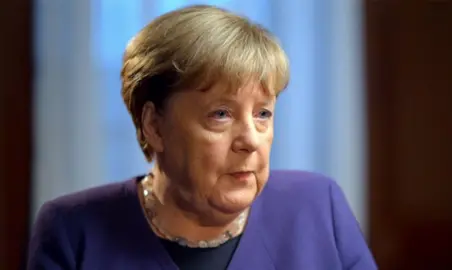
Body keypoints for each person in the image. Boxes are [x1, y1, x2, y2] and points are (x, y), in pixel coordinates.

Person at [27, 4, 376, 270]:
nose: (250, 140)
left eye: (263, 114)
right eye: (221, 114)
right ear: (154, 125)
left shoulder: (318, 207)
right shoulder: (73, 230)